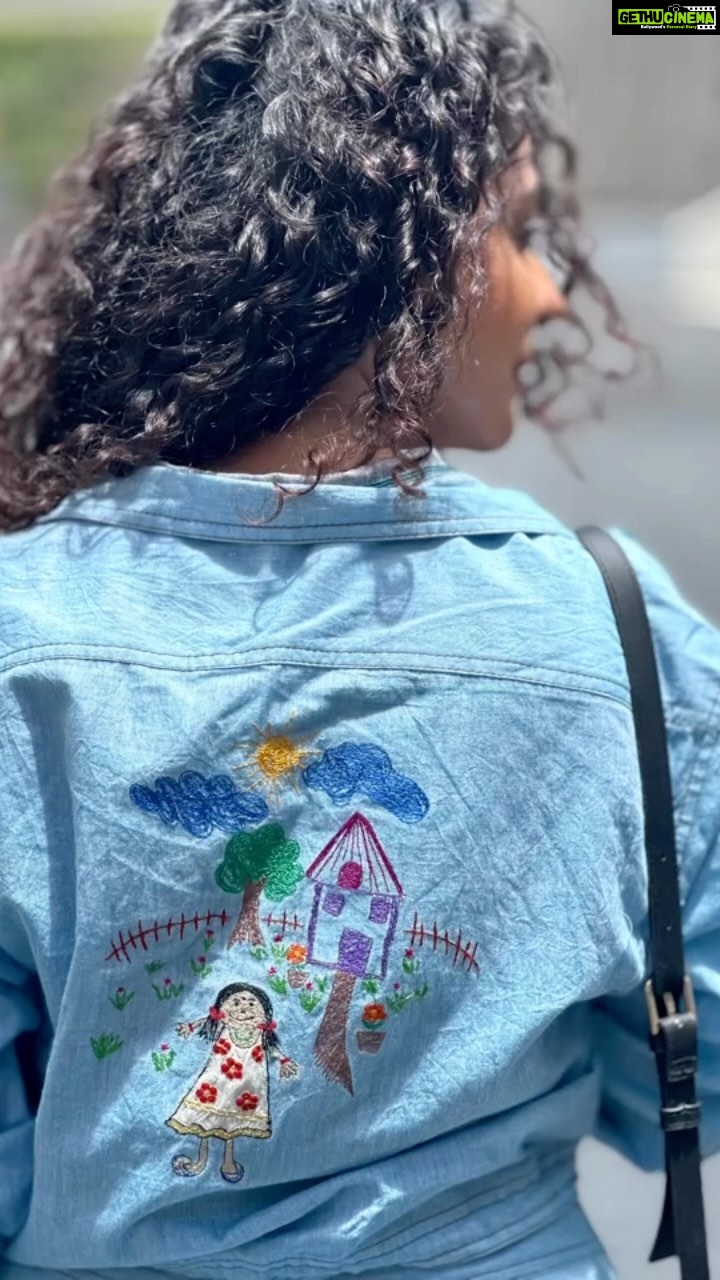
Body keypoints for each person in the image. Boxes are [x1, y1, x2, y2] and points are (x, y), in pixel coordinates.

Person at [0, 2, 717, 1279]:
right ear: (412, 253)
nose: (552, 291)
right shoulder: (611, 625)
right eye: (518, 230)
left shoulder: (23, 628)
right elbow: (691, 1056)